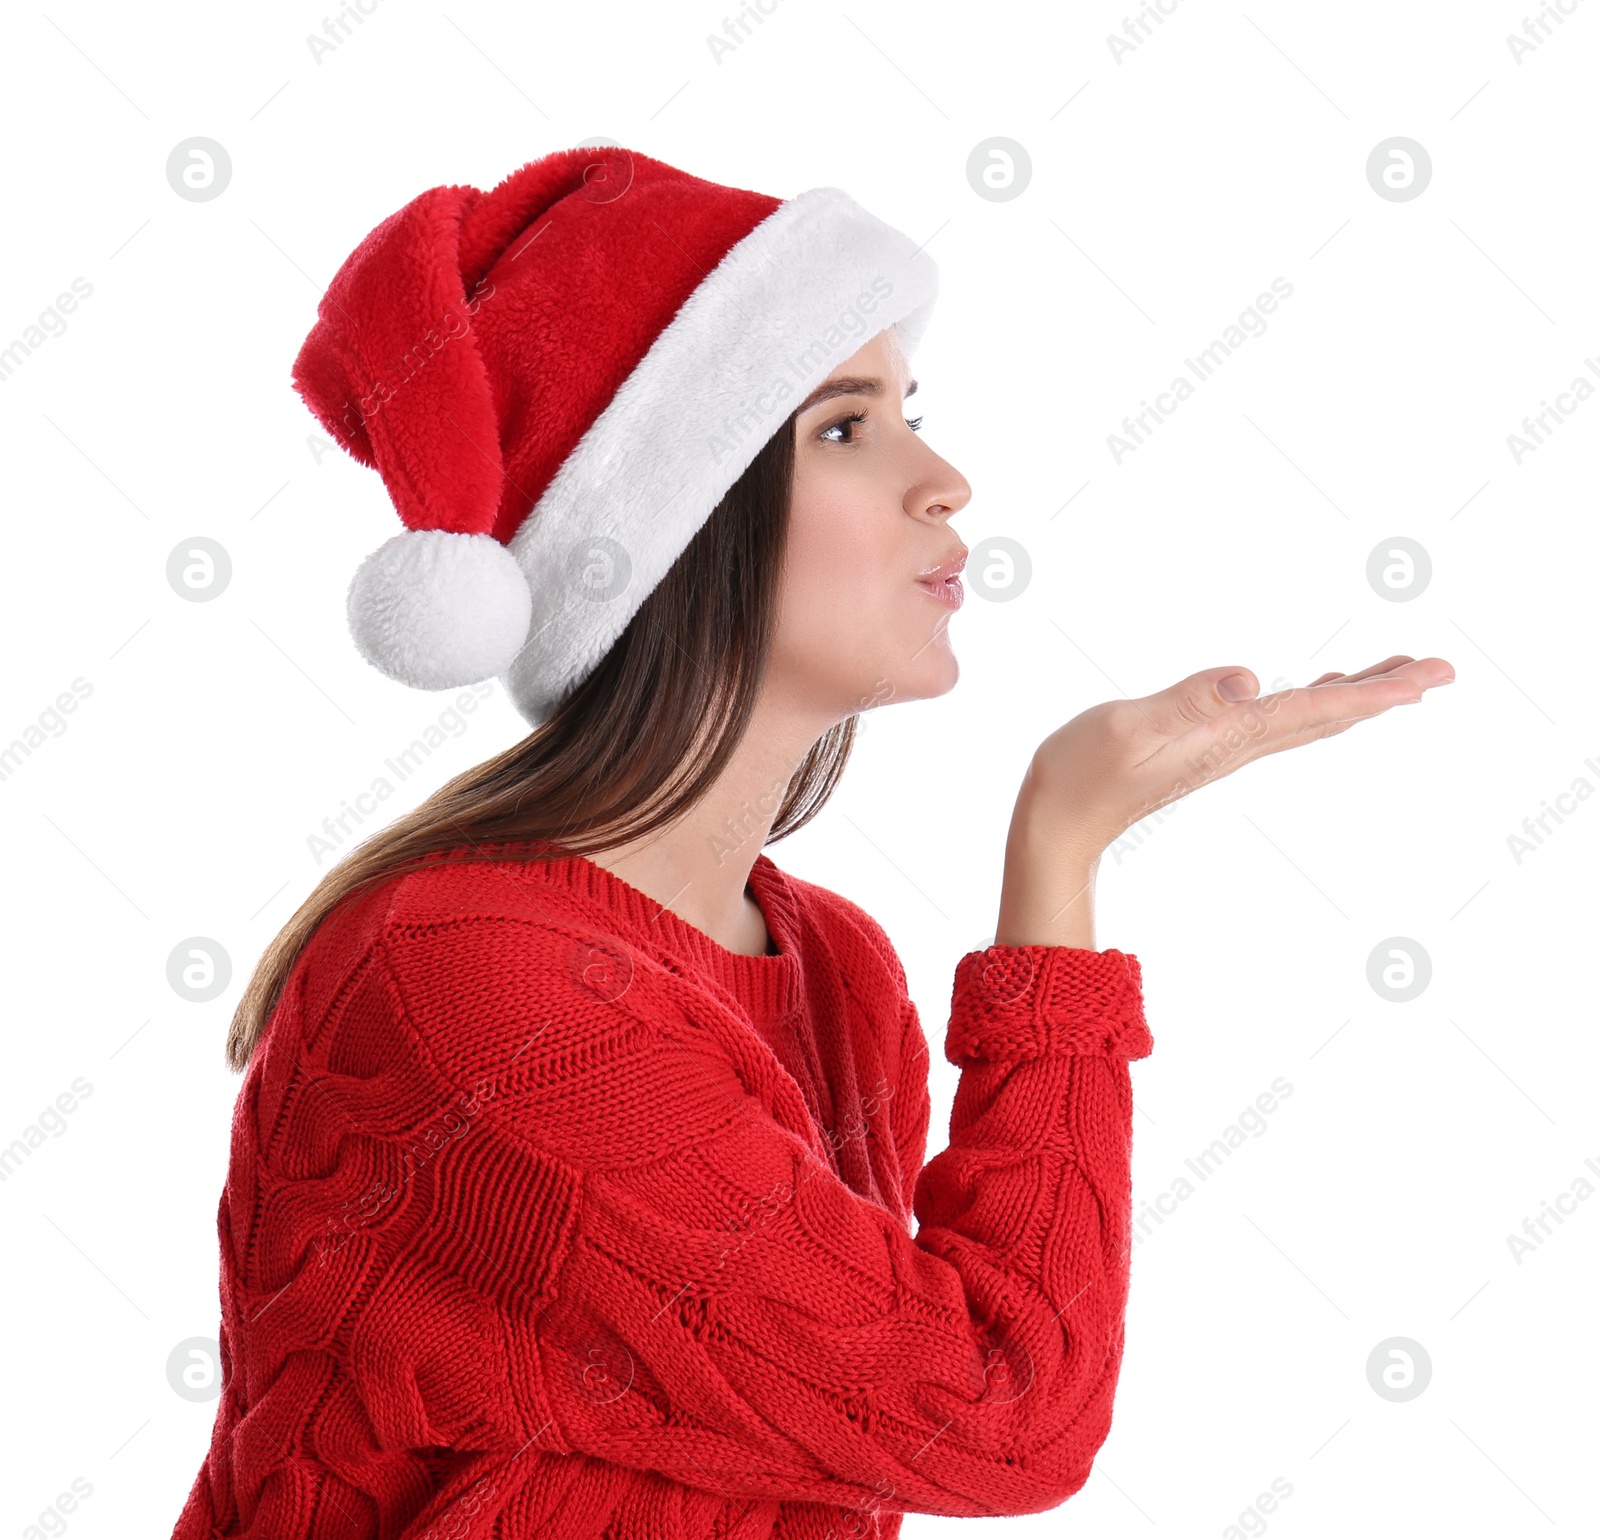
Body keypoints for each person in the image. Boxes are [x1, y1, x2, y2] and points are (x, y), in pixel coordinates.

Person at [170, 146, 1453, 1539]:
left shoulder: (831, 966)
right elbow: (1001, 1413)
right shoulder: (484, 982)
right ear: (671, 527)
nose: (946, 479)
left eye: (911, 411)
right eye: (844, 429)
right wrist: (1063, 842)